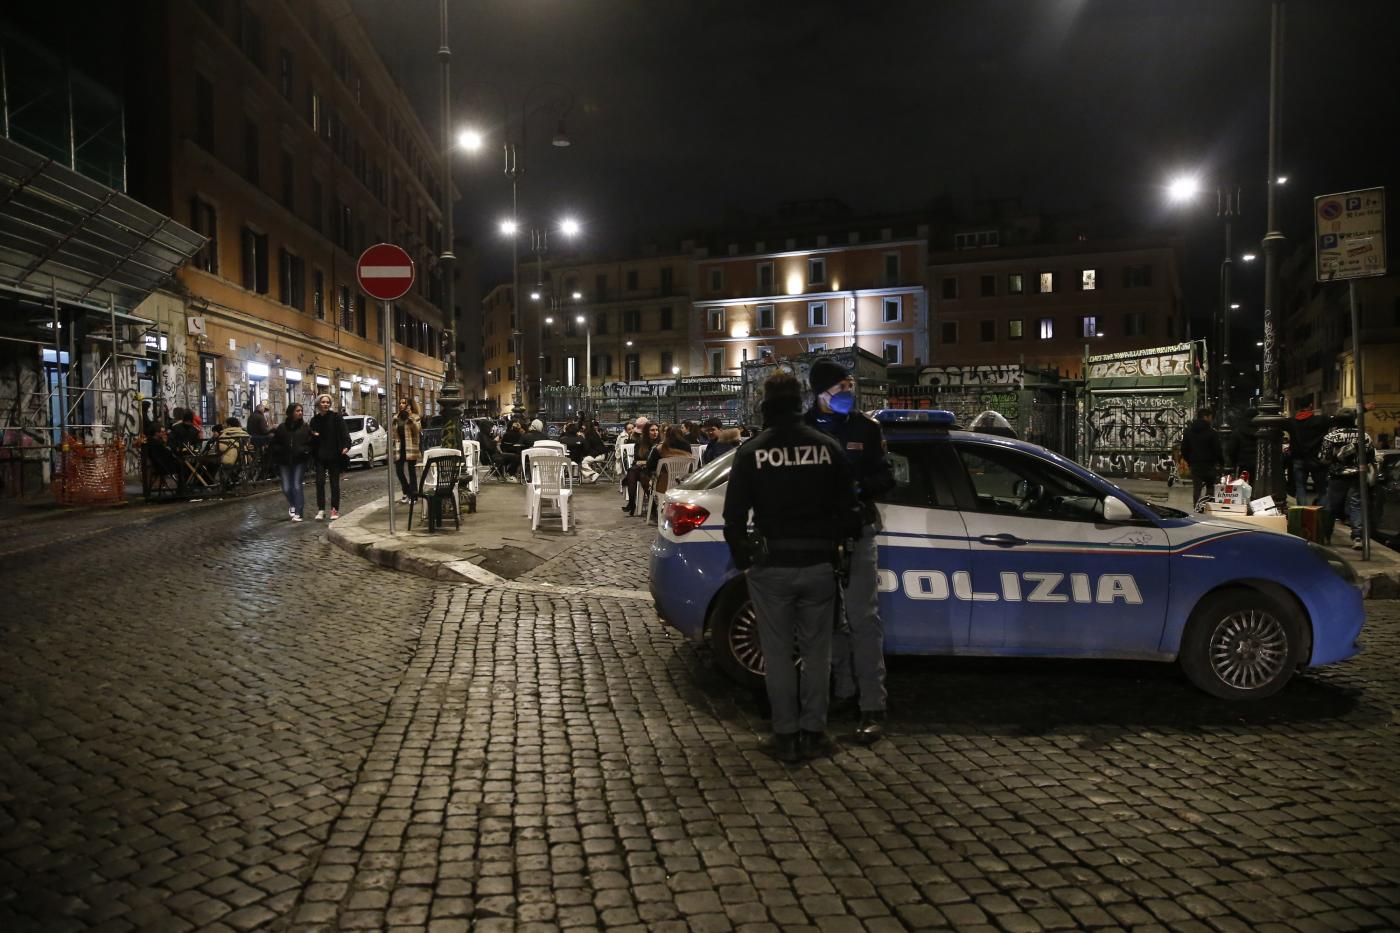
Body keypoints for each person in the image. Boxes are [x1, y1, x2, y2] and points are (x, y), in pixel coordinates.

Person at [723, 371, 862, 763]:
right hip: (818, 563)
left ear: (765, 402)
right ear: (800, 400)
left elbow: (734, 516)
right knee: (818, 653)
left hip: (772, 565)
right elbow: (850, 510)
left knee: (778, 653)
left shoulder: (753, 451)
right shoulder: (827, 446)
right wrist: (837, 544)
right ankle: (814, 731)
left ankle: (784, 734)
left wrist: (744, 560)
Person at [805, 357, 896, 744]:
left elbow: (886, 477)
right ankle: (842, 692)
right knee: (829, 622)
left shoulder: (866, 427)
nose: (847, 393)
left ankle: (872, 705)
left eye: (849, 386)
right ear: (820, 393)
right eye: (840, 388)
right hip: (819, 537)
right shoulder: (804, 431)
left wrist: (857, 487)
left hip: (858, 531)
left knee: (863, 619)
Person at [1320, 408, 1375, 550]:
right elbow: (1370, 457)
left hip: (1337, 476)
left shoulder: (1331, 437)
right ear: (1353, 419)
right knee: (1356, 505)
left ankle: (1326, 535)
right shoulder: (1364, 436)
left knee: (1332, 506)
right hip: (1358, 475)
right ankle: (1357, 537)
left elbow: (1324, 459)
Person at [308, 393, 351, 521]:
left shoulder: (336, 418)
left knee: (334, 484)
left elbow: (345, 434)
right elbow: (311, 438)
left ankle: (334, 509)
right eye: (323, 402)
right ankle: (321, 509)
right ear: (318, 404)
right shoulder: (314, 420)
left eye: (327, 402)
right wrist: (313, 436)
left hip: (335, 455)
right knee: (319, 483)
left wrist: (346, 446)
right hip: (320, 456)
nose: (325, 404)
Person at [269, 402, 313, 521]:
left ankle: (299, 512)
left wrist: (305, 450)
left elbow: (310, 442)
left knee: (297, 485)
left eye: (301, 411)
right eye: (297, 411)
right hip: (284, 460)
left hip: (300, 460)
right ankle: (293, 504)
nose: (300, 413)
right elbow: (275, 442)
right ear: (291, 412)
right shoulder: (282, 427)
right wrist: (279, 450)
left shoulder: (305, 427)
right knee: (287, 487)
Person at [1287, 405, 1333, 505]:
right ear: (1310, 407)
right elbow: (1341, 418)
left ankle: (1304, 514)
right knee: (1322, 489)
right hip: (1317, 459)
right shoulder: (1321, 420)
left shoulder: (1292, 422)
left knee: (1300, 488)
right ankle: (1322, 514)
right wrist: (1363, 409)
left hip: (1299, 459)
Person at [1179, 409, 1224, 508]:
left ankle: (1196, 506)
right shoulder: (1212, 433)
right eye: (1210, 417)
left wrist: (1190, 460)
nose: (1211, 419)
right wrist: (1220, 462)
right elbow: (1217, 449)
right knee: (1210, 486)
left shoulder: (1189, 432)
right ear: (1206, 417)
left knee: (1197, 487)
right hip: (1209, 464)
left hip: (1195, 464)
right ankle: (1208, 506)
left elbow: (1184, 449)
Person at [622, 422, 660, 514]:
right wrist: (642, 462)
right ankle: (632, 503)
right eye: (652, 430)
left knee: (638, 473)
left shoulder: (661, 443)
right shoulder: (641, 443)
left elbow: (659, 460)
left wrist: (645, 462)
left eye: (656, 430)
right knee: (632, 471)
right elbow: (636, 459)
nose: (655, 432)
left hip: (654, 470)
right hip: (641, 468)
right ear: (647, 432)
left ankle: (634, 505)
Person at [392, 397, 422, 503]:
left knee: (411, 472)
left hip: (411, 447)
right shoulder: (396, 417)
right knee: (399, 470)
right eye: (400, 402)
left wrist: (410, 417)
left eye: (403, 403)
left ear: (409, 405)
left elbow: (417, 430)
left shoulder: (415, 417)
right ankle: (407, 491)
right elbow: (393, 434)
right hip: (399, 448)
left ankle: (413, 495)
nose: (401, 405)